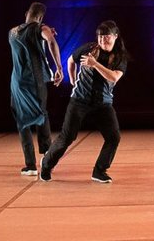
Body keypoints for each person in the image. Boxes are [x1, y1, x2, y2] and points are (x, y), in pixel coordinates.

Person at [39, 20, 128, 183]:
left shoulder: (120, 57)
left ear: (115, 36)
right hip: (80, 100)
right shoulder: (89, 49)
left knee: (113, 137)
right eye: (100, 37)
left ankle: (99, 171)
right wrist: (73, 80)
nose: (102, 40)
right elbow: (71, 61)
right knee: (67, 137)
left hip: (103, 103)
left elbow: (114, 77)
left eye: (106, 36)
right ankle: (46, 164)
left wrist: (94, 64)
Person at [9, 2, 63, 175]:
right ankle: (47, 155)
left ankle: (30, 165)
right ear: (40, 18)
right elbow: (51, 41)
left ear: (26, 13)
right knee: (41, 114)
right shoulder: (40, 29)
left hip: (17, 82)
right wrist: (59, 67)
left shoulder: (12, 31)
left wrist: (44, 31)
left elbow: (31, 36)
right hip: (35, 80)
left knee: (22, 121)